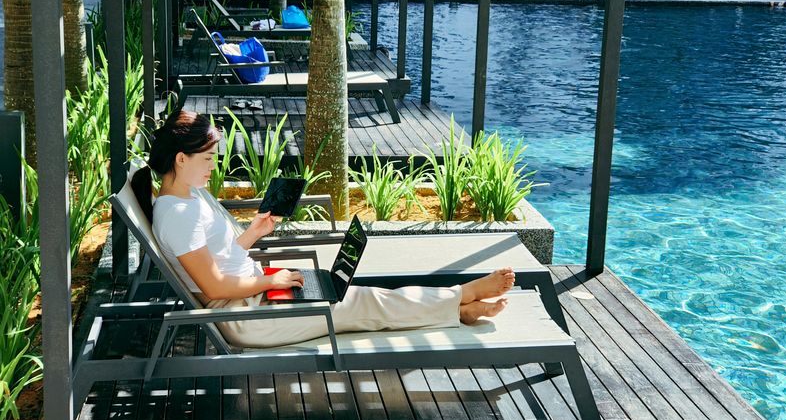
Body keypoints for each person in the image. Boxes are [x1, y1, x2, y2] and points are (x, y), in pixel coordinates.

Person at [131, 110, 516, 348]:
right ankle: (460, 300)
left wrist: (253, 234)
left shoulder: (189, 197)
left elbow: (217, 258)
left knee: (354, 296)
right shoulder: (178, 214)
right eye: (209, 158)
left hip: (253, 297)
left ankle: (454, 305)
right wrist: (271, 281)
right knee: (363, 302)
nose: (215, 165)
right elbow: (213, 288)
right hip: (245, 317)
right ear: (181, 159)